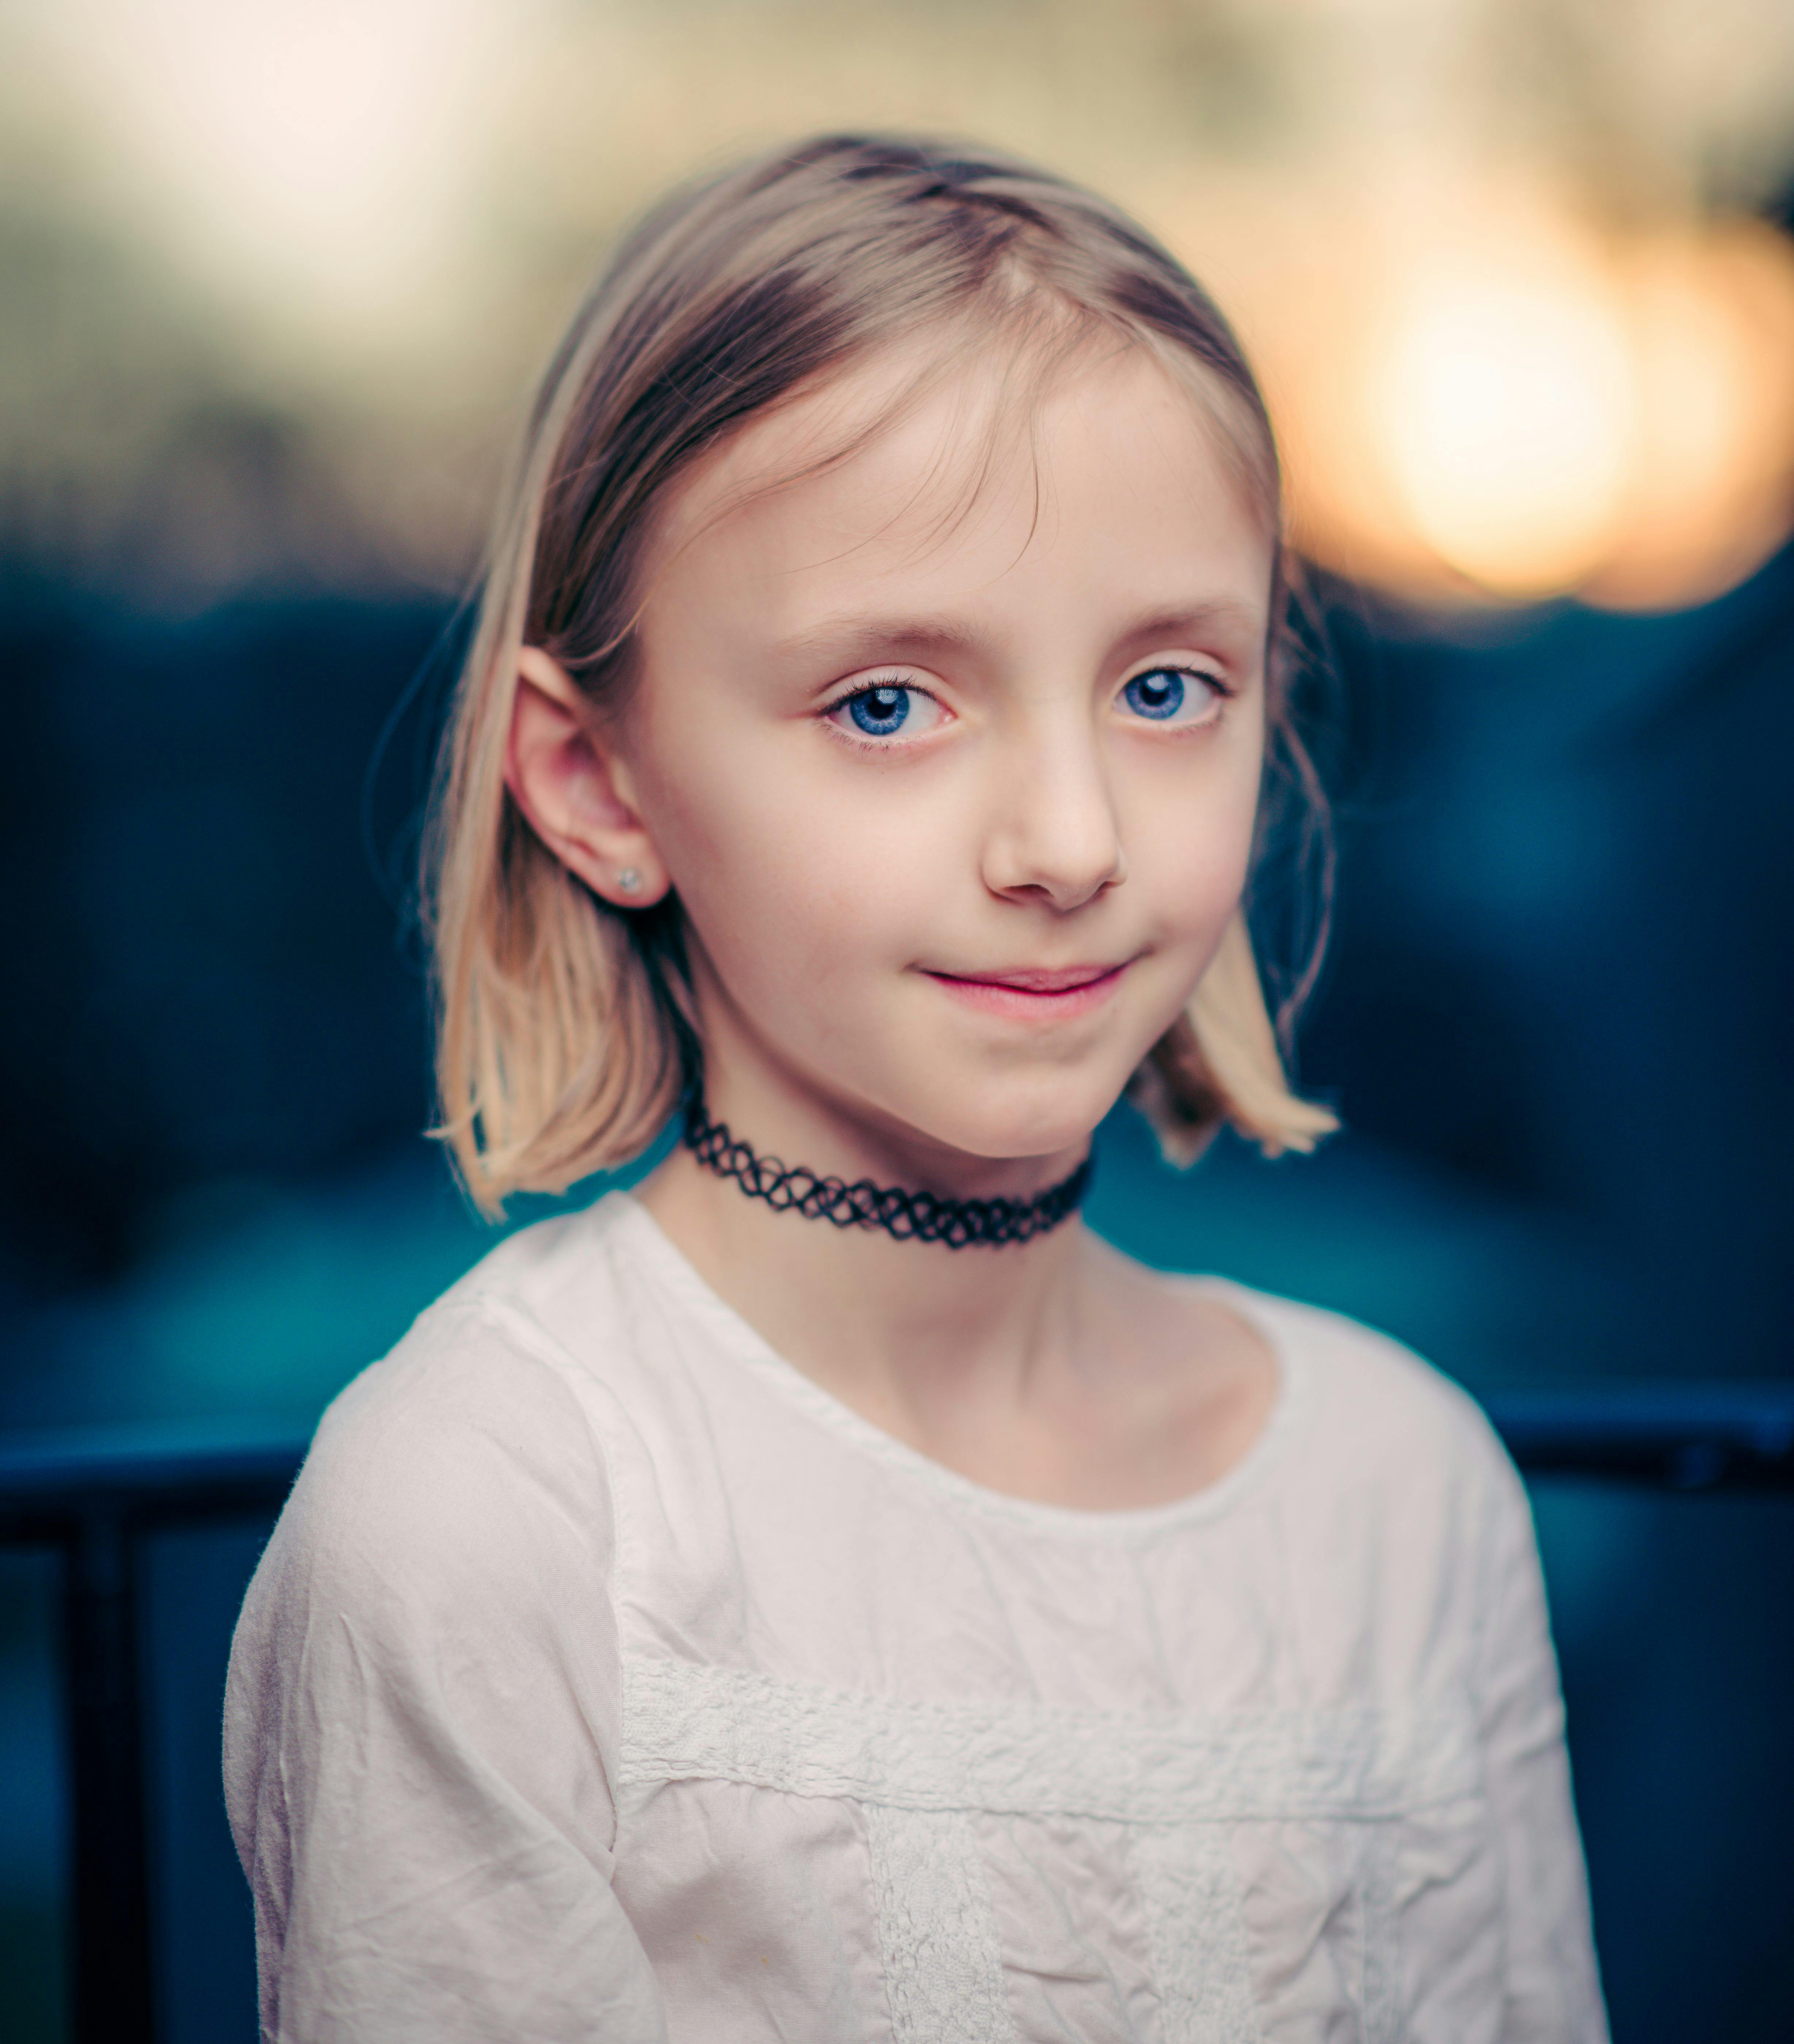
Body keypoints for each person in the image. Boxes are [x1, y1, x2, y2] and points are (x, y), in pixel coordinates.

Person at [224, 134, 1608, 2041]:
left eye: (1164, 688)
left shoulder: (1405, 1488)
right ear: (595, 782)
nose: (1068, 839)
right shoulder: (495, 1523)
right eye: (887, 702)